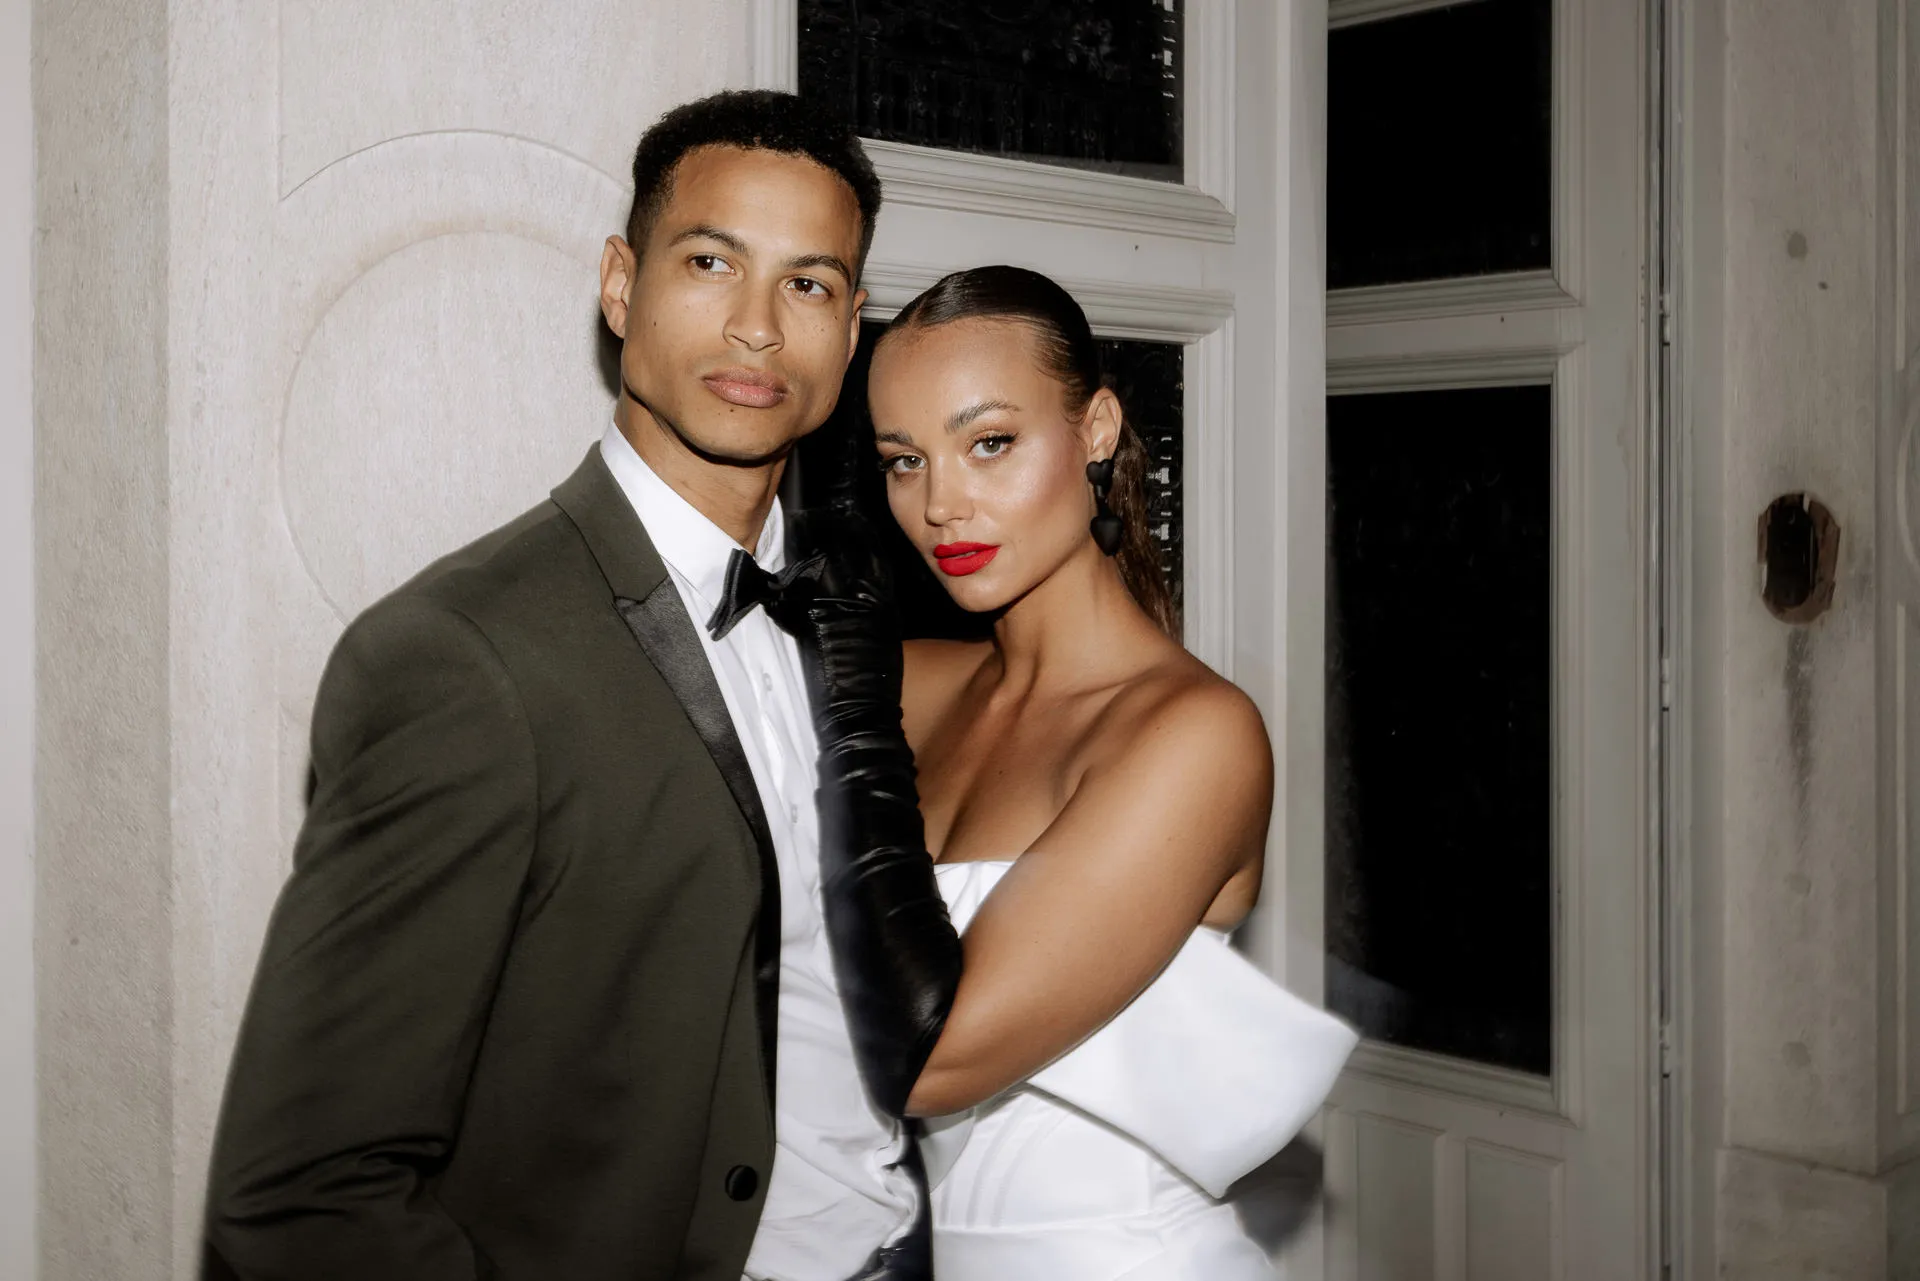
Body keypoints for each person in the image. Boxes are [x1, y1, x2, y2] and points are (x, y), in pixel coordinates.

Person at [201, 90, 929, 1281]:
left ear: (850, 335)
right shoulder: (458, 657)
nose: (757, 328)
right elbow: (301, 1198)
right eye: (710, 262)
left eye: (808, 284)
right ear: (619, 287)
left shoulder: (846, 607)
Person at [804, 266, 1358, 1280]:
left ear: (1096, 429)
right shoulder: (911, 686)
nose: (940, 504)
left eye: (990, 443)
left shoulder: (1193, 735)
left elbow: (938, 1057)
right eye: (901, 460)